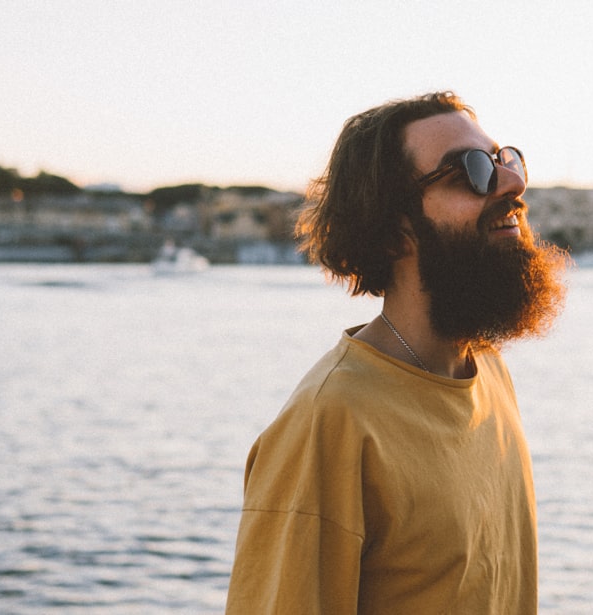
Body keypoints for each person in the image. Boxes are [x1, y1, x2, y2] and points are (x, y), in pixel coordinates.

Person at [225, 91, 568, 614]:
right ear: (391, 231)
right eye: (470, 172)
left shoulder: (488, 371)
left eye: (504, 160)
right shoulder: (331, 421)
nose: (512, 183)